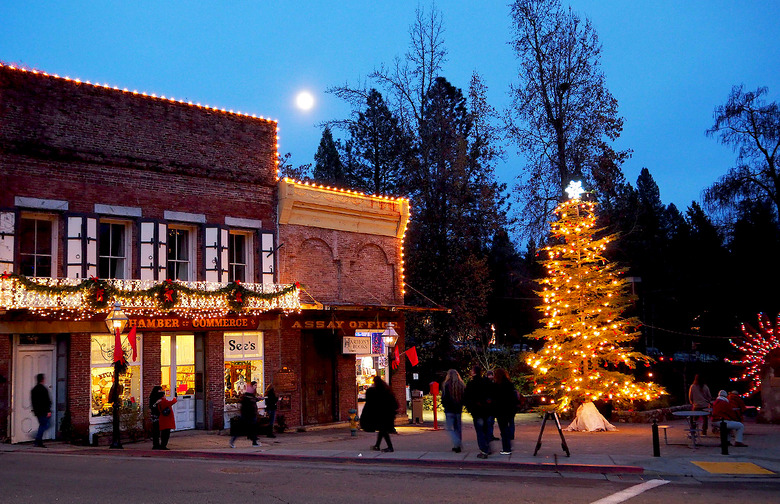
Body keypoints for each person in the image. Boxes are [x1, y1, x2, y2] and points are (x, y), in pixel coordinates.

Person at [464, 365, 494, 459]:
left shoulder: (472, 383)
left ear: (474, 372)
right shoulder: (486, 382)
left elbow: (467, 397)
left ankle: (483, 450)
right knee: (486, 429)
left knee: (480, 430)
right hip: (486, 409)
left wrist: (470, 408)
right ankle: (487, 447)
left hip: (477, 410)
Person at [362, 375, 399, 453]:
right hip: (387, 414)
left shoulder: (377, 391)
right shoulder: (386, 390)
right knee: (382, 430)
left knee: (383, 430)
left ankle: (390, 447)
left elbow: (372, 402)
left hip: (382, 414)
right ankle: (377, 445)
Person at [492, 368, 518, 455]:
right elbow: (514, 397)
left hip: (500, 410)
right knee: (508, 427)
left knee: (503, 430)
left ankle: (506, 448)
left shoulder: (496, 385)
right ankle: (508, 446)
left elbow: (494, 399)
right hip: (509, 409)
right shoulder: (509, 384)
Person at [441, 369, 466, 453]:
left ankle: (456, 442)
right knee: (458, 428)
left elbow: (444, 398)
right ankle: (457, 446)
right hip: (458, 410)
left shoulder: (446, 385)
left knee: (449, 428)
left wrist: (444, 406)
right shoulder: (461, 385)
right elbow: (464, 398)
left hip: (449, 410)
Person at [230, 381, 260, 447]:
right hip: (247, 415)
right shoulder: (247, 397)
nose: (256, 387)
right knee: (243, 429)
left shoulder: (250, 397)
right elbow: (246, 406)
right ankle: (233, 440)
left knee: (252, 428)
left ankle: (254, 442)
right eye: (254, 386)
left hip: (250, 415)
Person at [31, 373, 52, 448]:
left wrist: (35, 410)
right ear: (42, 379)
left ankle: (37, 439)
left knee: (42, 425)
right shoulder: (43, 389)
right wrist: (48, 411)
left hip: (38, 411)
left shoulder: (34, 390)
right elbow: (46, 401)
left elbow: (33, 401)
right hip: (44, 411)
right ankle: (37, 439)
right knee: (45, 425)